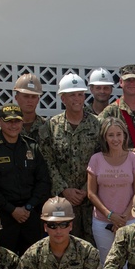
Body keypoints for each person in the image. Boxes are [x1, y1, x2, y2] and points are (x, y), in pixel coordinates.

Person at [0, 103, 51, 256]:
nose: (13, 125)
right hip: (4, 217)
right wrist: (12, 210)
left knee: (32, 260)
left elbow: (43, 181)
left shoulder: (32, 147)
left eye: (17, 121)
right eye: (8, 121)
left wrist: (29, 207)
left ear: (22, 122)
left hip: (30, 215)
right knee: (4, 261)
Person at [40, 73, 100, 242]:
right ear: (63, 98)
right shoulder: (51, 126)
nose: (77, 99)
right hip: (60, 200)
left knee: (91, 246)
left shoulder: (97, 125)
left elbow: (102, 159)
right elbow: (47, 160)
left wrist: (86, 188)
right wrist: (64, 189)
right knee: (62, 244)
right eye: (72, 94)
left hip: (90, 200)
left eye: (80, 94)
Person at [86, 116, 135, 263]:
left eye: (119, 134)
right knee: (107, 263)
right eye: (111, 135)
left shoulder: (134, 159)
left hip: (129, 220)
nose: (115, 139)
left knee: (128, 265)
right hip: (102, 222)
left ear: (124, 135)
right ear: (105, 137)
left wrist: (123, 218)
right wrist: (110, 215)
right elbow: (91, 193)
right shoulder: (96, 159)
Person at [99, 64, 135, 185]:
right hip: (121, 175)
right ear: (120, 82)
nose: (131, 83)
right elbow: (101, 145)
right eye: (127, 80)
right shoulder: (111, 111)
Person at [11, 73, 47, 139]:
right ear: (16, 98)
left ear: (38, 100)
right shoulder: (7, 126)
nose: (30, 100)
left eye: (33, 97)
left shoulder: (47, 127)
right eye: (26, 96)